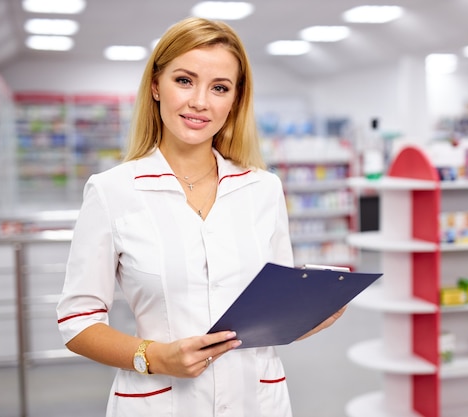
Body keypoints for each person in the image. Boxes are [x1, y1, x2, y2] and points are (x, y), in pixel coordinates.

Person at [56, 16, 345, 417]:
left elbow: (270, 310)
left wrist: (307, 315)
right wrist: (154, 356)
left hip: (257, 402)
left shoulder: (263, 189)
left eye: (219, 88)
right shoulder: (112, 191)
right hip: (160, 402)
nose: (200, 102)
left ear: (235, 99)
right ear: (156, 86)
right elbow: (77, 321)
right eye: (184, 80)